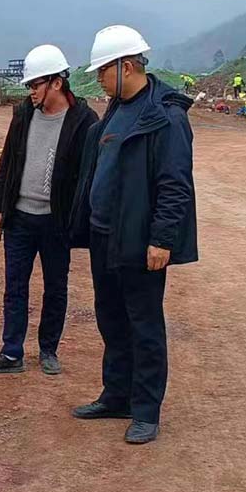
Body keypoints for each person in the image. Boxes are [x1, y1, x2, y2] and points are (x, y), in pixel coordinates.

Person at [69, 25, 198, 444]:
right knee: (111, 319)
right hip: (104, 236)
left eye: (103, 71)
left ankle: (145, 411)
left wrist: (162, 240)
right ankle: (116, 396)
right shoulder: (115, 109)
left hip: (140, 241)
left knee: (144, 325)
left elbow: (175, 185)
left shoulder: (165, 116)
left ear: (127, 66)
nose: (99, 80)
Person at [0, 45, 98, 376]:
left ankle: (48, 350)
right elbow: (7, 160)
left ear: (56, 83)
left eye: (34, 84)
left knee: (55, 287)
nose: (30, 91)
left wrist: (80, 219)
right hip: (19, 218)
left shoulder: (84, 121)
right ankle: (11, 353)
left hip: (57, 222)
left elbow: (88, 175)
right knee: (15, 287)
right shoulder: (23, 114)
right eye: (28, 85)